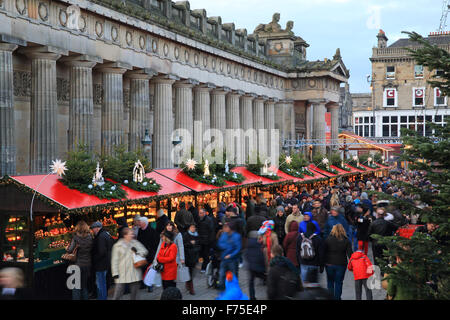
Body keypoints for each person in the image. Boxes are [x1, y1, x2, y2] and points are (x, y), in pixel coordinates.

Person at [111, 227, 148, 300]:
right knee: (118, 294)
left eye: (132, 234)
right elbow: (114, 260)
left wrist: (137, 252)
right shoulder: (117, 246)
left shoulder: (135, 243)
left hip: (134, 272)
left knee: (135, 295)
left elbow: (145, 251)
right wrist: (115, 273)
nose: (132, 235)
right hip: (122, 273)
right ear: (125, 235)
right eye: (131, 234)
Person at [324, 224, 352, 300]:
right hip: (341, 264)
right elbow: (350, 254)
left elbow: (324, 251)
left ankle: (330, 297)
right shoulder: (346, 240)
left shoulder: (328, 239)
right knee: (339, 282)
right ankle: (337, 298)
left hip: (329, 263)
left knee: (330, 282)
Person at [66, 220, 93, 300]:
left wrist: (67, 248)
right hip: (87, 264)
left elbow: (70, 250)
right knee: (84, 286)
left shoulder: (75, 238)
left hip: (77, 265)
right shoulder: (90, 237)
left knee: (76, 287)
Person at [90, 221, 114, 300]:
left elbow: (101, 252)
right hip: (106, 263)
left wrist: (94, 259)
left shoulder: (100, 237)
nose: (92, 231)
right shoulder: (106, 234)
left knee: (101, 284)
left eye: (93, 229)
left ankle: (102, 298)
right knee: (103, 283)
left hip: (101, 264)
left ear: (97, 228)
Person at [136, 217, 160, 292]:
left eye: (140, 222)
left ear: (144, 223)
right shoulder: (140, 230)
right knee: (142, 268)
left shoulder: (152, 231)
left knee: (150, 270)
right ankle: (143, 284)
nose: (139, 223)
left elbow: (156, 243)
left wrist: (152, 251)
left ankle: (150, 285)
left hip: (150, 253)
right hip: (142, 253)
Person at [217, 222, 241, 290]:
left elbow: (238, 248)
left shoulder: (236, 236)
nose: (224, 228)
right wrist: (228, 247)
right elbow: (219, 244)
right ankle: (222, 288)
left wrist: (230, 255)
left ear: (230, 228)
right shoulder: (224, 235)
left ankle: (233, 288)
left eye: (226, 227)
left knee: (233, 275)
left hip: (232, 260)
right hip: (224, 258)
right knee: (221, 274)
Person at [245, 227, 266, 300]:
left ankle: (252, 297)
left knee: (251, 282)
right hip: (258, 266)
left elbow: (246, 255)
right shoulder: (259, 243)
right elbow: (261, 255)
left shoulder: (248, 244)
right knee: (265, 278)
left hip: (251, 266)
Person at [182, 224, 200, 295]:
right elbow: (183, 245)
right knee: (190, 272)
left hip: (195, 256)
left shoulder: (196, 235)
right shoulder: (186, 235)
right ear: (189, 228)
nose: (193, 228)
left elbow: (199, 244)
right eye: (192, 227)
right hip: (188, 257)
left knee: (192, 272)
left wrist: (196, 247)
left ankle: (188, 283)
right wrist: (190, 243)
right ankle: (191, 288)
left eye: (194, 227)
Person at [197, 207, 216, 273]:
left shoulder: (208, 220)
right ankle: (208, 266)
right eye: (199, 213)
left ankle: (204, 268)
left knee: (205, 254)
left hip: (206, 241)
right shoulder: (200, 220)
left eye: (201, 213)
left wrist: (210, 240)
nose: (199, 214)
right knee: (204, 254)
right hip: (202, 240)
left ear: (205, 213)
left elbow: (211, 231)